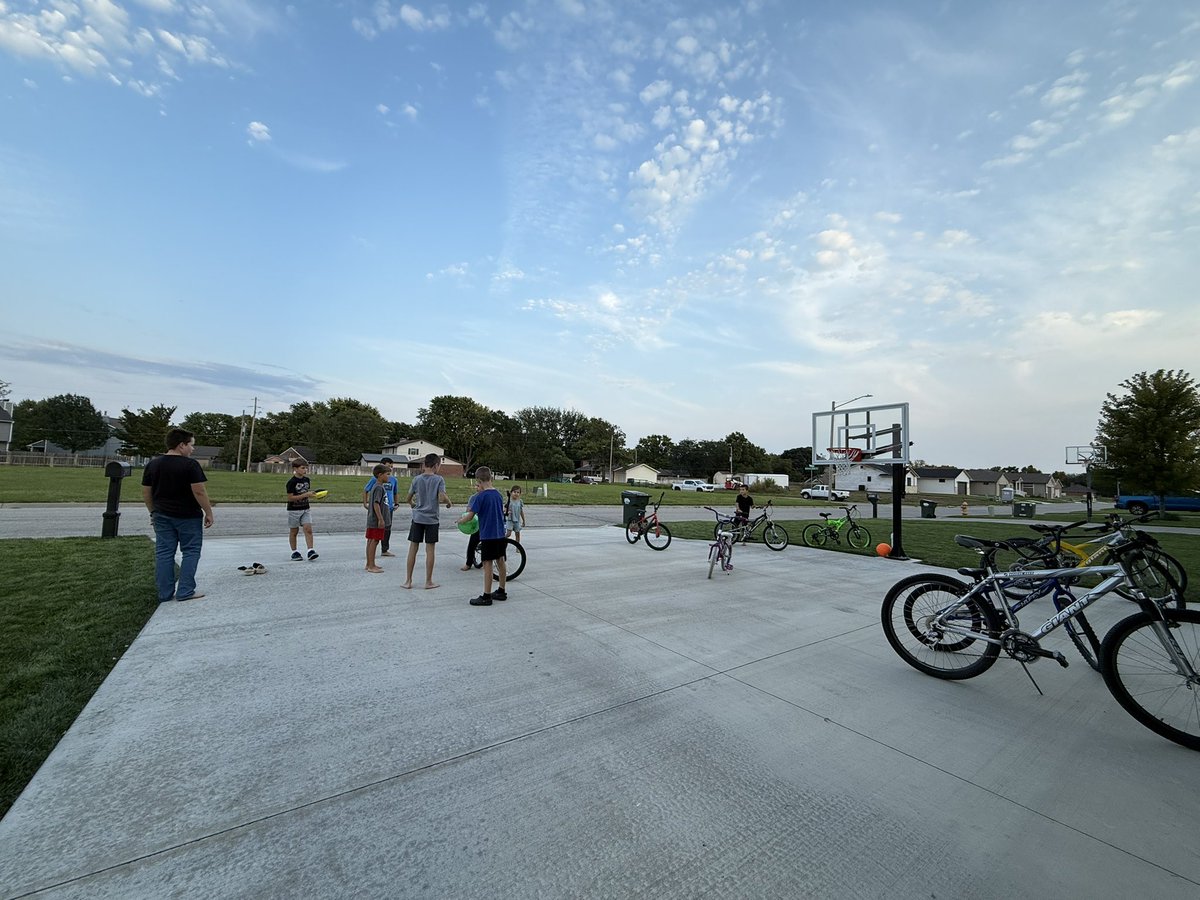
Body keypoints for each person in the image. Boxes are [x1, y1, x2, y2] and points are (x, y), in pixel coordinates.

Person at [141, 428, 214, 602]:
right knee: (191, 551)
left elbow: (146, 492)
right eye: (191, 445)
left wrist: (153, 512)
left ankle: (165, 593)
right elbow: (199, 492)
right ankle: (185, 591)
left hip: (161, 515)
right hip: (188, 516)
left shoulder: (153, 464)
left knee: (164, 553)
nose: (192, 449)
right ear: (181, 445)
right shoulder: (190, 465)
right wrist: (208, 512)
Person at [458, 466, 506, 606]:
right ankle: (502, 591)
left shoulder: (480, 497)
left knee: (487, 564)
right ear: (490, 478)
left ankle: (486, 596)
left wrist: (460, 520)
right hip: (500, 534)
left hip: (488, 535)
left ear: (478, 480)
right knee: (501, 561)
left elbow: (470, 516)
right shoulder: (498, 494)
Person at [403, 452, 452, 590]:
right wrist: (448, 502)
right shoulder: (439, 480)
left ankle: (408, 580)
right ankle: (428, 581)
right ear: (436, 465)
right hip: (432, 520)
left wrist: (413, 504)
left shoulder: (416, 479)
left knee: (413, 548)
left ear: (424, 464)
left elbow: (408, 498)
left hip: (417, 518)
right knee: (430, 549)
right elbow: (442, 498)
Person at [363, 457, 399, 557]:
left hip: (388, 509)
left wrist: (396, 503)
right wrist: (366, 504)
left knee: (385, 531)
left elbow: (395, 492)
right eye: (388, 469)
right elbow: (374, 501)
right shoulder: (377, 484)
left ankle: (384, 550)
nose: (390, 471)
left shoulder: (393, 480)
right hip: (380, 512)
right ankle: (370, 563)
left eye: (391, 467)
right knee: (374, 539)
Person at [286, 460, 319, 561]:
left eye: (306, 468)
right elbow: (290, 498)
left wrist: (313, 495)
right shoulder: (291, 482)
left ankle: (310, 550)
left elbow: (306, 493)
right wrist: (305, 495)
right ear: (295, 469)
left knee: (308, 529)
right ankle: (294, 552)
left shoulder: (307, 480)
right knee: (294, 531)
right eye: (302, 468)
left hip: (305, 508)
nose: (305, 470)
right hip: (294, 510)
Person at [365, 463, 392, 574]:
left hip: (373, 520)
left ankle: (369, 564)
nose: (388, 476)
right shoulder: (379, 488)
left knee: (371, 540)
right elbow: (376, 504)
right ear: (380, 475)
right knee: (374, 541)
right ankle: (371, 566)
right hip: (376, 521)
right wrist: (381, 519)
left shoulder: (377, 487)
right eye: (387, 474)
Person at [461, 477, 482, 571]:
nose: (476, 487)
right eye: (476, 485)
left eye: (478, 485)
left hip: (485, 524)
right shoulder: (473, 498)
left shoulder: (487, 496)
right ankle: (469, 562)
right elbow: (468, 510)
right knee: (472, 543)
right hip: (476, 524)